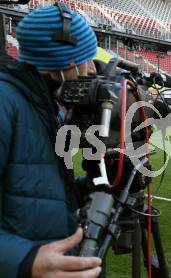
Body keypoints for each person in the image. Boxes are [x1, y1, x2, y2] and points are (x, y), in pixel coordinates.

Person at [0, 4, 102, 277]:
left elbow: (33, 189)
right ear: (64, 64)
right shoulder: (6, 103)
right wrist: (26, 260)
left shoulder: (44, 105)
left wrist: (87, 187)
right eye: (86, 60)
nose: (91, 70)